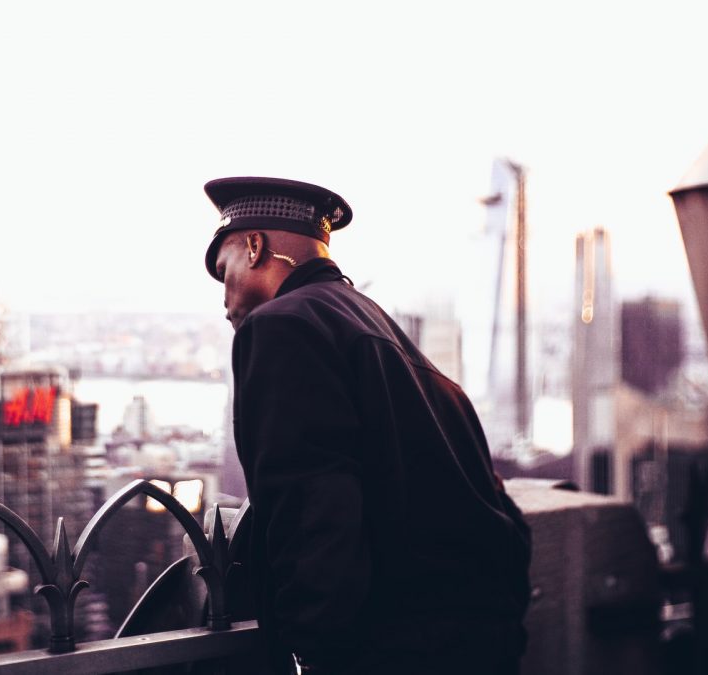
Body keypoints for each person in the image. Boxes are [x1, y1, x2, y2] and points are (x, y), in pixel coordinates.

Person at [203, 177, 532, 674]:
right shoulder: (379, 328)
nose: (222, 297)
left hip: (385, 653)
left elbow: (312, 507)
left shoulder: (281, 325)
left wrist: (312, 653)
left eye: (222, 269)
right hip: (477, 642)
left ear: (254, 246)